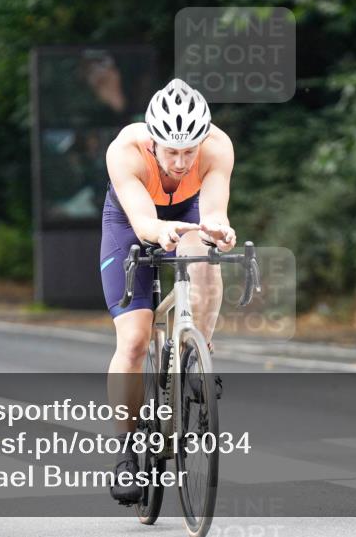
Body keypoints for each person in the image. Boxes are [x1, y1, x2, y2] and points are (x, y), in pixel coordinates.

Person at [100, 78, 235, 504]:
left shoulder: (217, 147)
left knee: (205, 258)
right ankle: (125, 452)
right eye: (171, 151)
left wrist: (218, 230)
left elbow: (213, 211)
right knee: (136, 339)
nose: (180, 161)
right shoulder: (125, 151)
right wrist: (161, 230)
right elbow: (142, 222)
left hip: (188, 210)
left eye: (189, 151)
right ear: (153, 141)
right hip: (131, 221)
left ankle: (198, 355)